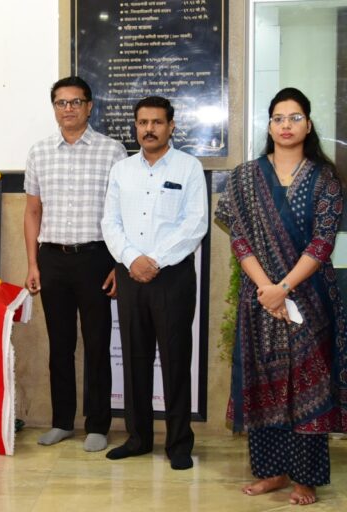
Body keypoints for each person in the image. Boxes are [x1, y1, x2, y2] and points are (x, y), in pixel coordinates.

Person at [215, 87, 346, 505]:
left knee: (309, 384)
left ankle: (305, 477)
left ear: (308, 124)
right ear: (268, 125)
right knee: (264, 381)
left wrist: (284, 288)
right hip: (261, 301)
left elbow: (323, 243)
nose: (285, 125)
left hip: (309, 299)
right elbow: (238, 237)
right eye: (278, 117)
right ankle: (271, 472)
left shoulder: (325, 178)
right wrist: (266, 290)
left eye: (294, 117)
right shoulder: (244, 177)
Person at [100, 95, 208, 470]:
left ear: (171, 126)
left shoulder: (189, 167)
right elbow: (109, 223)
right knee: (134, 359)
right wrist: (132, 259)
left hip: (172, 276)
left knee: (176, 360)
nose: (149, 129)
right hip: (131, 275)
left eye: (157, 122)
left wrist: (155, 260)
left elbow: (195, 224)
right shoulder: (122, 170)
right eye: (142, 122)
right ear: (136, 126)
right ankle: (139, 437)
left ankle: (178, 444)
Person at [23, 76, 127, 452]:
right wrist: (33, 263)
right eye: (61, 102)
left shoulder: (112, 151)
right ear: (54, 108)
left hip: (97, 257)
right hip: (52, 258)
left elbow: (123, 213)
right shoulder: (39, 152)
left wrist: (119, 263)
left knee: (98, 343)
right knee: (60, 345)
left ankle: (98, 424)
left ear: (89, 106)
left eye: (75, 102)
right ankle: (62, 421)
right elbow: (32, 210)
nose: (68, 109)